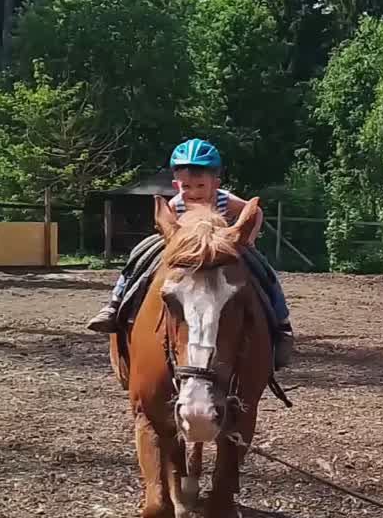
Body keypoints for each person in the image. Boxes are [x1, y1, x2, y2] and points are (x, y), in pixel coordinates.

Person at [87, 138, 294, 367]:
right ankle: (115, 303)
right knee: (139, 255)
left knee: (263, 269)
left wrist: (248, 239)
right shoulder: (176, 204)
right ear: (176, 185)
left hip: (220, 244)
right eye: (186, 187)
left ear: (215, 183)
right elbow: (169, 227)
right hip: (184, 246)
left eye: (200, 186)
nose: (193, 192)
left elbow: (254, 212)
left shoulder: (225, 199)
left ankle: (282, 323)